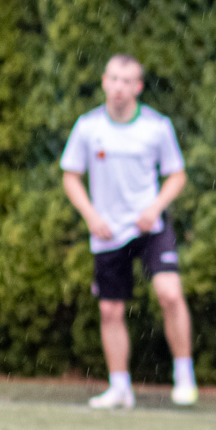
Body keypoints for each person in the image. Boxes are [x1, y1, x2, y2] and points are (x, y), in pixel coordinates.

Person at [61, 54, 196, 409]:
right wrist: (91, 216)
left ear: (138, 87)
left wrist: (154, 208)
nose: (119, 87)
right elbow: (71, 176)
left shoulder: (157, 126)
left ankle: (184, 376)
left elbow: (176, 174)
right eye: (113, 79)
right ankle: (120, 386)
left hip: (149, 227)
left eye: (127, 81)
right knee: (110, 310)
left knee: (169, 293)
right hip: (107, 231)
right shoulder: (87, 127)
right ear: (104, 82)